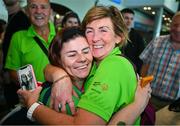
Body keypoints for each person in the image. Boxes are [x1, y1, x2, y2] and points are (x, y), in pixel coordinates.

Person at [17, 6, 152, 125]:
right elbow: (48, 67)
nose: (94, 38)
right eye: (89, 30)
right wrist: (60, 76)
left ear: (118, 37)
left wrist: (33, 107)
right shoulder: (96, 61)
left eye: (103, 30)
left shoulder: (113, 65)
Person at [4, 0, 55, 84]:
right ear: (27, 11)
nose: (38, 11)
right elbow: (12, 71)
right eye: (33, 7)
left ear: (50, 11)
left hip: (61, 94)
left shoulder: (61, 35)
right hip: (33, 95)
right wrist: (34, 87)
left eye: (43, 7)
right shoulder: (18, 37)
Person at [140, 11, 180, 111]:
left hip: (173, 106)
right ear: (170, 25)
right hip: (148, 98)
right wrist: (142, 91)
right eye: (175, 25)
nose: (178, 29)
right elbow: (145, 67)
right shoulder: (157, 41)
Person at [121, 8, 146, 74]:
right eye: (126, 18)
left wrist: (135, 73)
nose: (129, 21)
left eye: (131, 19)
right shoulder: (114, 34)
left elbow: (141, 59)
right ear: (120, 19)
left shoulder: (138, 37)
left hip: (130, 72)